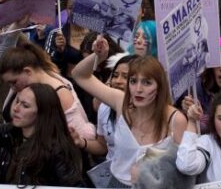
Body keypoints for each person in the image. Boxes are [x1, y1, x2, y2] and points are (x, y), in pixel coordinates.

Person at [71, 36, 187, 187]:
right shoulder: (121, 102)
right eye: (133, 81)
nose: (138, 89)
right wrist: (98, 56)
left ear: (160, 86)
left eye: (147, 82)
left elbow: (184, 170)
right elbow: (80, 75)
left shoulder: (175, 119)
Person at [0, 84, 85, 186]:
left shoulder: (58, 149)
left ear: (43, 113)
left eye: (25, 105)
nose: (16, 108)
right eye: (17, 101)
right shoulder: (12, 132)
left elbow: (74, 186)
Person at [0, 42, 96, 140]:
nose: (12, 87)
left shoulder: (60, 93)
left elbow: (82, 135)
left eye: (14, 82)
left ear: (28, 71)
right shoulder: (24, 85)